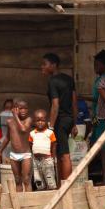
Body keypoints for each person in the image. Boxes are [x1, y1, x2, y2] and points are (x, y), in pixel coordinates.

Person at [41, 52, 76, 184]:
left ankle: (66, 186)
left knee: (64, 155)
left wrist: (50, 126)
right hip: (69, 120)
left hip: (60, 121)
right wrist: (74, 123)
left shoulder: (52, 81)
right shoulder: (69, 79)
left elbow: (55, 105)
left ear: (53, 65)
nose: (42, 67)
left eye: (45, 64)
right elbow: (74, 102)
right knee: (61, 153)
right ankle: (62, 184)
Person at [89, 49, 105, 180]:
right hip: (98, 117)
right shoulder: (99, 79)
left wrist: (81, 98)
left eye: (98, 65)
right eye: (94, 65)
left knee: (103, 149)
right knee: (100, 148)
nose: (95, 67)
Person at [0, 99, 32, 192]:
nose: (23, 111)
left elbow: (23, 129)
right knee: (17, 180)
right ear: (15, 109)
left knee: (26, 180)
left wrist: (15, 116)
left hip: (25, 154)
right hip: (14, 155)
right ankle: (19, 204)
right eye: (20, 108)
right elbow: (7, 138)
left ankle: (29, 204)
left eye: (25, 108)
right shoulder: (10, 122)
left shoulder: (28, 120)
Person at [29, 109, 57, 190]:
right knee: (39, 181)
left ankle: (52, 196)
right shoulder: (32, 133)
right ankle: (41, 198)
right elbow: (30, 145)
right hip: (36, 161)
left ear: (47, 120)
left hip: (47, 160)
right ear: (34, 122)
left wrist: (53, 158)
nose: (40, 122)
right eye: (38, 120)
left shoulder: (50, 133)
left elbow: (54, 145)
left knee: (50, 179)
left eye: (42, 120)